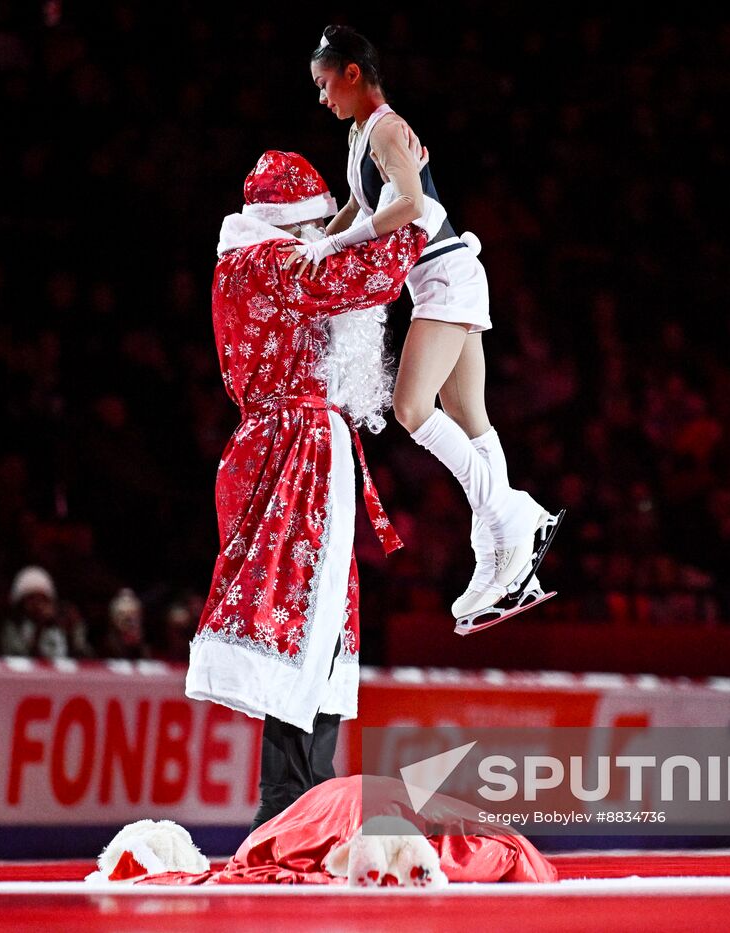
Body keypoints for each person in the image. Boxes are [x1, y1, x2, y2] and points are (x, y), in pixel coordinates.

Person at [188, 150, 436, 829]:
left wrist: (366, 198)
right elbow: (355, 272)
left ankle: (295, 796)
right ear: (290, 223)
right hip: (298, 444)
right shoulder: (267, 263)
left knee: (313, 619)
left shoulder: (247, 263)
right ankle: (292, 803)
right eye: (317, 222)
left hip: (287, 440)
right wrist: (419, 213)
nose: (325, 232)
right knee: (307, 613)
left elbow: (332, 250)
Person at [294, 24, 563, 634]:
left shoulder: (386, 127)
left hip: (445, 276)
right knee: (471, 420)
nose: (321, 97)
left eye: (324, 83)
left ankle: (511, 518)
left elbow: (411, 205)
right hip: (446, 275)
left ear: (352, 73)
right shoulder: (363, 133)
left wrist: (335, 242)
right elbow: (366, 209)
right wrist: (317, 241)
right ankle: (497, 557)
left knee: (411, 409)